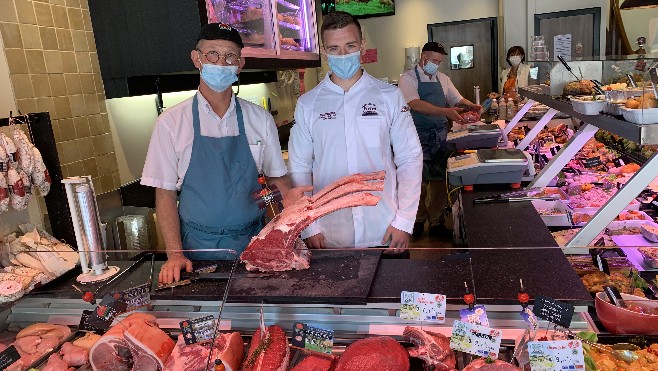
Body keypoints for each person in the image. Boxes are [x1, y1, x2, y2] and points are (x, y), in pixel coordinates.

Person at [141, 23, 307, 284]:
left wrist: (286, 213)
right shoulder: (171, 123)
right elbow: (164, 194)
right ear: (196, 59)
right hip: (197, 249)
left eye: (230, 56)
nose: (221, 63)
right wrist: (174, 255)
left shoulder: (260, 119)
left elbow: (277, 182)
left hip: (254, 241)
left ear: (239, 64)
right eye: (212, 55)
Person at [288, 11, 423, 256]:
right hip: (329, 234)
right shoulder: (309, 104)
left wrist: (404, 220)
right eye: (335, 48)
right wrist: (308, 226)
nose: (343, 55)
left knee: (389, 293)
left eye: (350, 45)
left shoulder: (388, 96)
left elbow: (409, 158)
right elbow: (299, 168)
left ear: (362, 45)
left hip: (384, 229)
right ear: (324, 50)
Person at [398, 42, 481, 238]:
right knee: (416, 182)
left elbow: (457, 99)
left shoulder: (442, 78)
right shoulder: (407, 78)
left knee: (438, 183)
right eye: (434, 60)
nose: (436, 64)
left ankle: (435, 222)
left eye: (439, 61)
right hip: (415, 136)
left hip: (439, 137)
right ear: (423, 57)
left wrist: (472, 106)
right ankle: (416, 222)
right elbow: (414, 103)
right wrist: (445, 112)